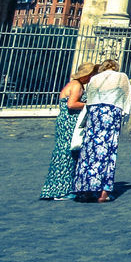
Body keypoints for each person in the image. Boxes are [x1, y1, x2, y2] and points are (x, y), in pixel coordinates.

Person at [73, 59, 131, 202]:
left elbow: (90, 97)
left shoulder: (94, 79)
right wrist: (126, 115)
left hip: (94, 113)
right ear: (115, 67)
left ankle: (86, 189)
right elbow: (127, 96)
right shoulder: (121, 77)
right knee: (108, 151)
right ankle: (103, 194)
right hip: (112, 113)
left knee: (89, 150)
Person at [41, 62, 95, 199]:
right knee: (68, 154)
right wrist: (88, 104)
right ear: (85, 75)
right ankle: (61, 190)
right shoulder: (77, 86)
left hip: (64, 121)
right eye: (90, 75)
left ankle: (57, 188)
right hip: (70, 123)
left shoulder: (71, 84)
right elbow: (71, 104)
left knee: (62, 153)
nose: (90, 78)